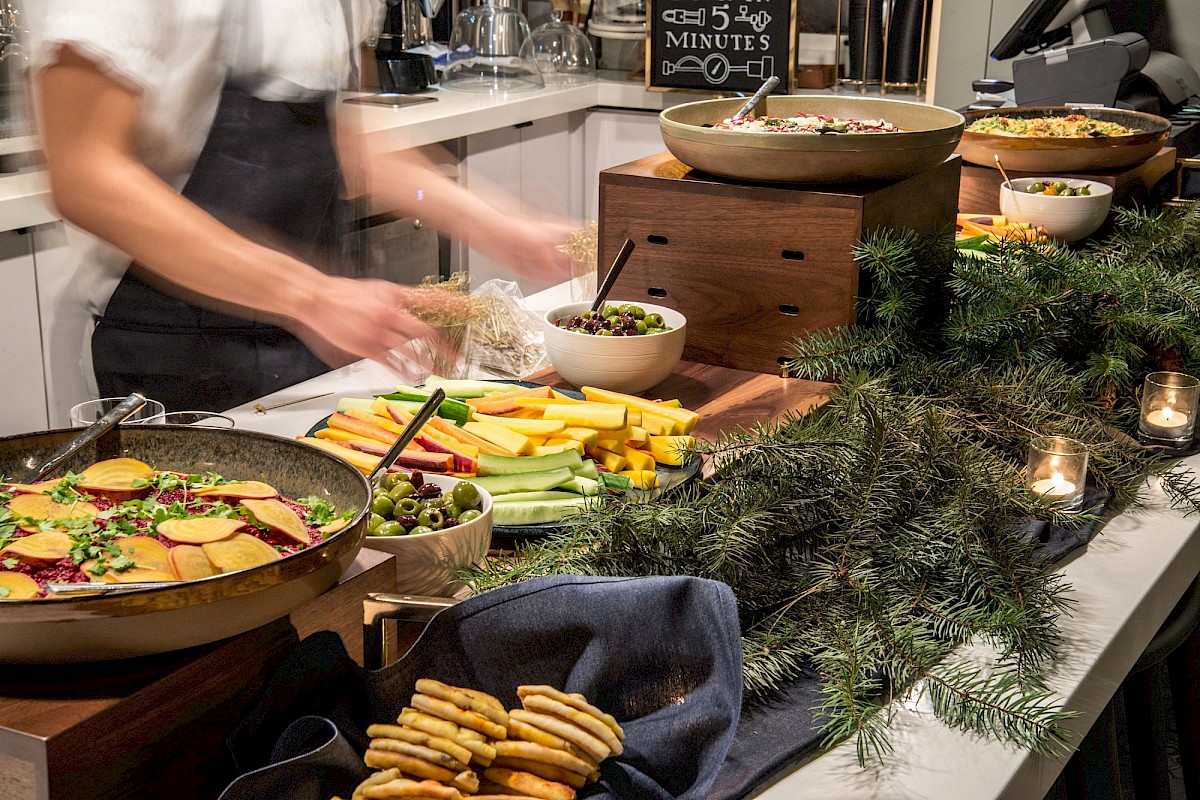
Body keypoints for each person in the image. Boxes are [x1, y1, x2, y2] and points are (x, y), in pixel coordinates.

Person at [26, 0, 570, 412]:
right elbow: (86, 174)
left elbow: (345, 144)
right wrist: (311, 295)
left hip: (300, 347)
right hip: (163, 352)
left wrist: (498, 226)